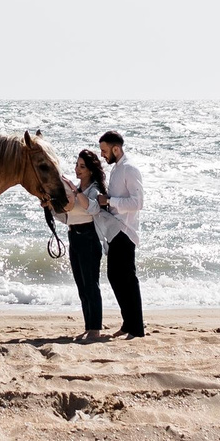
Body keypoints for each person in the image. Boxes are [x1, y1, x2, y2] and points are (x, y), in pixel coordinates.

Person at [97, 129, 145, 338]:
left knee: (127, 278)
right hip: (115, 229)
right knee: (115, 276)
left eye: (105, 150)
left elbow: (138, 203)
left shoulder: (129, 169)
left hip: (126, 230)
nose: (102, 155)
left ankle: (137, 328)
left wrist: (109, 201)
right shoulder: (116, 169)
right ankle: (128, 323)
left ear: (116, 149)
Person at [62, 148, 109, 340]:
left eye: (82, 166)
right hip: (74, 236)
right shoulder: (76, 189)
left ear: (90, 170)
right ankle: (88, 324)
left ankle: (95, 328)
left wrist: (75, 190)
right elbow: (67, 216)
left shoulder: (93, 188)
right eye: (77, 165)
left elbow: (92, 208)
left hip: (89, 237)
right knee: (81, 285)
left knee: (91, 284)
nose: (78, 169)